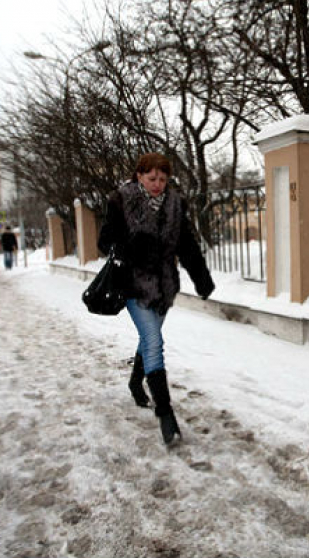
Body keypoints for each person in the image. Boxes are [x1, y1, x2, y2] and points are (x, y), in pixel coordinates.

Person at [97, 152, 215, 446]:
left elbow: (187, 244)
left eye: (163, 179)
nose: (158, 184)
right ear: (139, 175)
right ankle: (165, 414)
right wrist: (129, 246)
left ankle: (136, 381)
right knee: (153, 342)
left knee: (150, 338)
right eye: (152, 178)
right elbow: (104, 242)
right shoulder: (121, 200)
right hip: (134, 285)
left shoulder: (176, 205)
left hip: (164, 287)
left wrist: (201, 278)